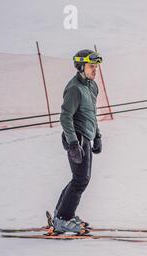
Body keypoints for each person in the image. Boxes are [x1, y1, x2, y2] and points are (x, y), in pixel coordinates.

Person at [53, 49, 103, 234]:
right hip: (76, 138)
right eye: (91, 66)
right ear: (81, 67)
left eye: (95, 66)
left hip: (86, 137)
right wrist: (73, 143)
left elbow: (91, 114)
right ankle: (63, 219)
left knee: (79, 179)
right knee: (81, 179)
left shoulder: (91, 86)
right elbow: (65, 117)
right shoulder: (74, 88)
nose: (95, 70)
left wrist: (97, 135)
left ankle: (62, 214)